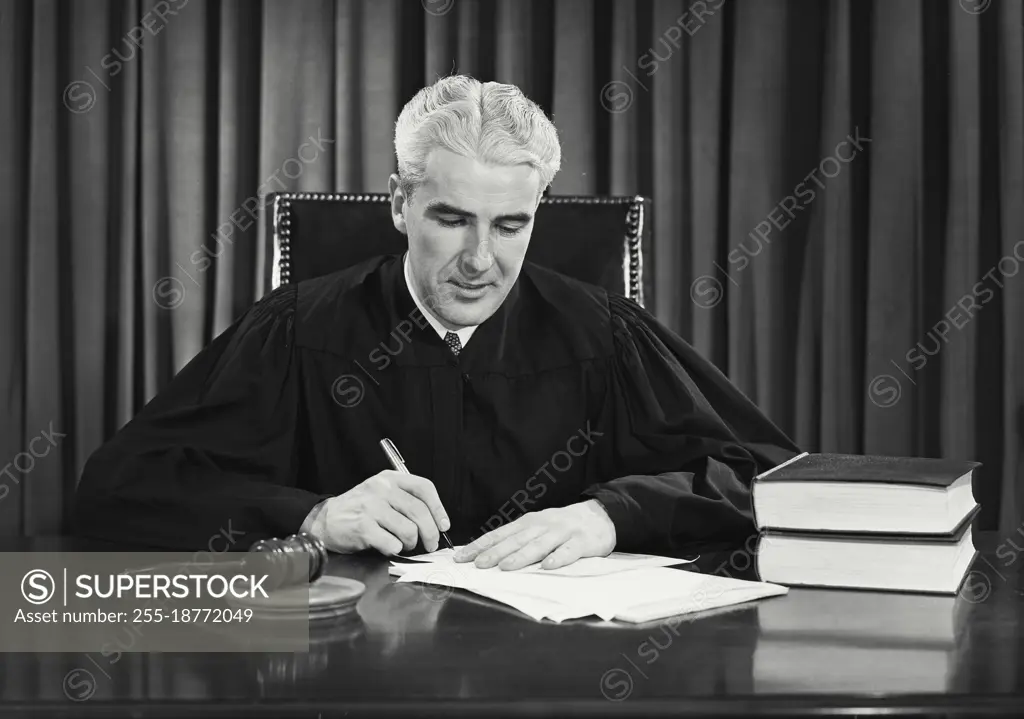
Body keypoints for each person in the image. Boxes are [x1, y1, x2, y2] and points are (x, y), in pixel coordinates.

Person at [73, 75, 800, 571]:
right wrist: (314, 515)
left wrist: (612, 515)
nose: (480, 260)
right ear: (399, 204)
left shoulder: (603, 333)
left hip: (560, 679)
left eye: (510, 225)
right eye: (452, 219)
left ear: (536, 214)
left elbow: (774, 477)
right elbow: (119, 487)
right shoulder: (298, 329)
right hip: (347, 678)